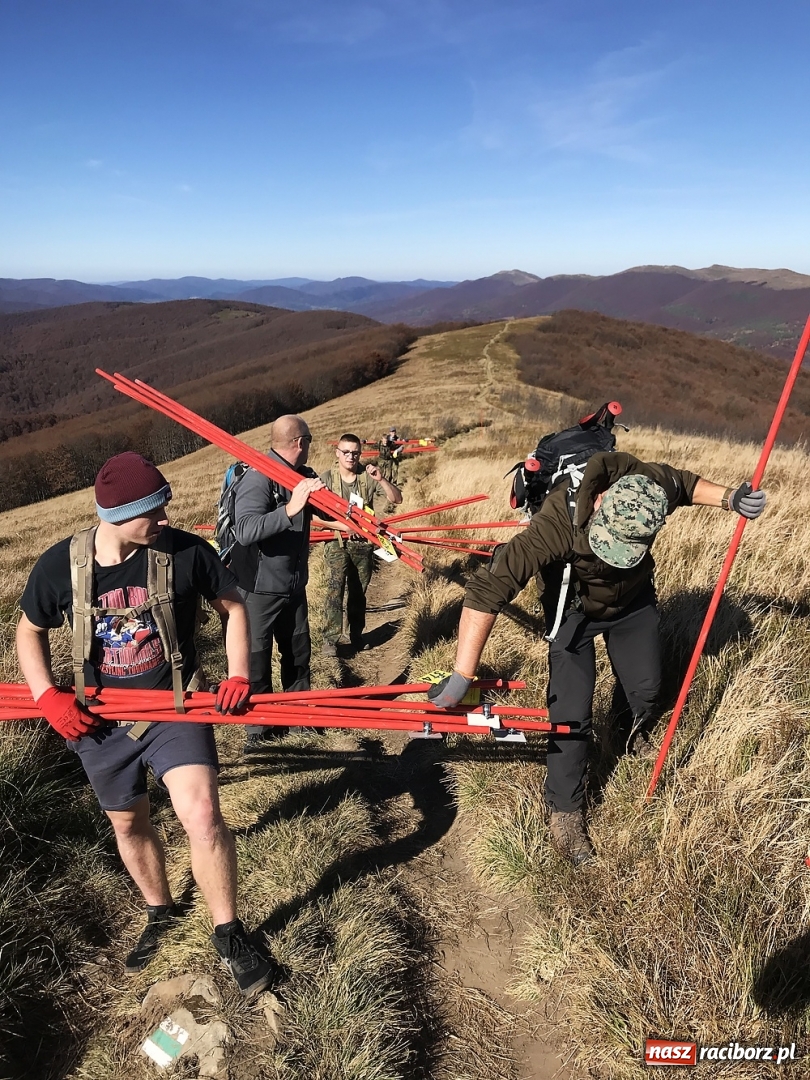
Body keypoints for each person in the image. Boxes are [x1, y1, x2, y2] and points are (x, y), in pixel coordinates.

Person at [16, 452, 277, 994]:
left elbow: (233, 606)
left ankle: (228, 932)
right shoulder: (59, 566)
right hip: (99, 722)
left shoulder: (184, 551)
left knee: (202, 814)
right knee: (129, 824)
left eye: (165, 507)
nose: (166, 518)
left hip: (173, 709)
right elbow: (28, 631)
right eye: (154, 511)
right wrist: (47, 697)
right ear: (116, 514)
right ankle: (160, 911)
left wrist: (239, 674)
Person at [427, 451, 767, 866]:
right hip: (573, 613)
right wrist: (463, 675)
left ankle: (627, 731)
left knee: (647, 689)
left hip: (633, 602)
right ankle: (565, 814)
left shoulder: (653, 483)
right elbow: (486, 591)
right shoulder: (557, 522)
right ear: (601, 501)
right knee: (571, 715)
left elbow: (688, 484)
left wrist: (732, 498)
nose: (610, 557)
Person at [229, 414, 331, 749]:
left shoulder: (302, 475)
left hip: (293, 585)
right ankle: (258, 730)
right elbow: (244, 531)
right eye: (310, 441)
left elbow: (327, 513)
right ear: (300, 442)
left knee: (298, 652)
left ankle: (299, 718)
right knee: (256, 658)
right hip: (258, 589)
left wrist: (325, 499)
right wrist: (290, 510)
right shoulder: (258, 478)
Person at [319, 433, 402, 656]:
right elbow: (312, 518)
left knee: (358, 591)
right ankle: (331, 639)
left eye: (355, 452)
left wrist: (381, 479)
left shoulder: (367, 477)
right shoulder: (326, 479)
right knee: (335, 589)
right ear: (337, 453)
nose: (350, 456)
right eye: (346, 452)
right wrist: (340, 526)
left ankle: (356, 634)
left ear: (360, 453)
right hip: (336, 542)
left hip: (363, 544)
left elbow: (397, 500)